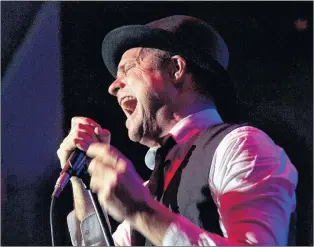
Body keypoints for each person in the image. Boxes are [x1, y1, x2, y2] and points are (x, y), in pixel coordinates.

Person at [57, 15, 298, 246]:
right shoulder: (151, 185)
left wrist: (142, 212)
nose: (113, 86)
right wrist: (81, 178)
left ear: (175, 69)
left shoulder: (243, 146)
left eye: (128, 69)